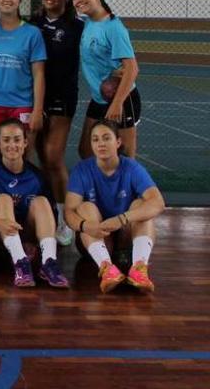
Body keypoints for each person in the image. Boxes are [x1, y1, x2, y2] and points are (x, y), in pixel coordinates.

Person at [65, 120, 164, 293]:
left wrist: (121, 219)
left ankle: (139, 268)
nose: (101, 143)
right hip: (96, 236)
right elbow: (69, 211)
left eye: (106, 138)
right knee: (85, 207)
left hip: (125, 237)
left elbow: (157, 202)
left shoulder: (131, 167)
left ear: (118, 142)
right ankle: (106, 268)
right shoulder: (82, 170)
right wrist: (86, 226)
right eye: (95, 140)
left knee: (141, 205)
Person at [0, 118, 68, 288]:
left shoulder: (38, 176)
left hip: (29, 237)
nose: (12, 145)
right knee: (3, 199)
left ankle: (49, 263)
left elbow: (51, 218)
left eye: (17, 139)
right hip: (0, 237)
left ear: (25, 142)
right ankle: (20, 262)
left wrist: (32, 242)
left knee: (41, 201)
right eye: (6, 140)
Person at [30, 0, 83, 247]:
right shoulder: (33, 24)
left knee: (53, 156)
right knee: (41, 158)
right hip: (35, 98)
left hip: (62, 99)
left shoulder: (76, 27)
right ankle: (49, 208)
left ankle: (65, 216)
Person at [72, 0, 140, 158]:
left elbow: (132, 69)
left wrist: (117, 103)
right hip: (99, 97)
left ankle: (127, 187)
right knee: (86, 151)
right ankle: (101, 186)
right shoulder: (88, 22)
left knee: (125, 156)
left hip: (121, 98)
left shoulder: (113, 28)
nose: (79, 0)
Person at [0, 0, 46, 162]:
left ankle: (27, 192)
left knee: (23, 157)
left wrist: (37, 110)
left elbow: (39, 74)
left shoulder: (32, 33)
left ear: (19, 0)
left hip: (22, 103)